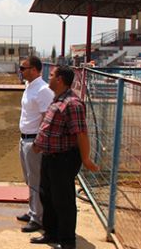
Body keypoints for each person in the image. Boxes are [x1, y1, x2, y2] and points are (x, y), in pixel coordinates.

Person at [30, 66, 99, 249]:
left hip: (63, 160)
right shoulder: (57, 100)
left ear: (59, 79)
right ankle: (51, 233)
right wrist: (39, 145)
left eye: (52, 75)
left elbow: (81, 134)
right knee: (48, 196)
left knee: (63, 201)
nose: (49, 78)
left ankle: (67, 241)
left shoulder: (72, 104)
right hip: (50, 157)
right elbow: (50, 128)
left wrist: (86, 159)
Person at [16, 56, 54, 233]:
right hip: (25, 139)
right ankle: (33, 211)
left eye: (23, 68)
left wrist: (39, 141)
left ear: (34, 69)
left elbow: (47, 118)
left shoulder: (43, 90)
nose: (21, 71)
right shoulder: (30, 86)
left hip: (34, 141)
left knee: (36, 180)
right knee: (29, 179)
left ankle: (37, 218)